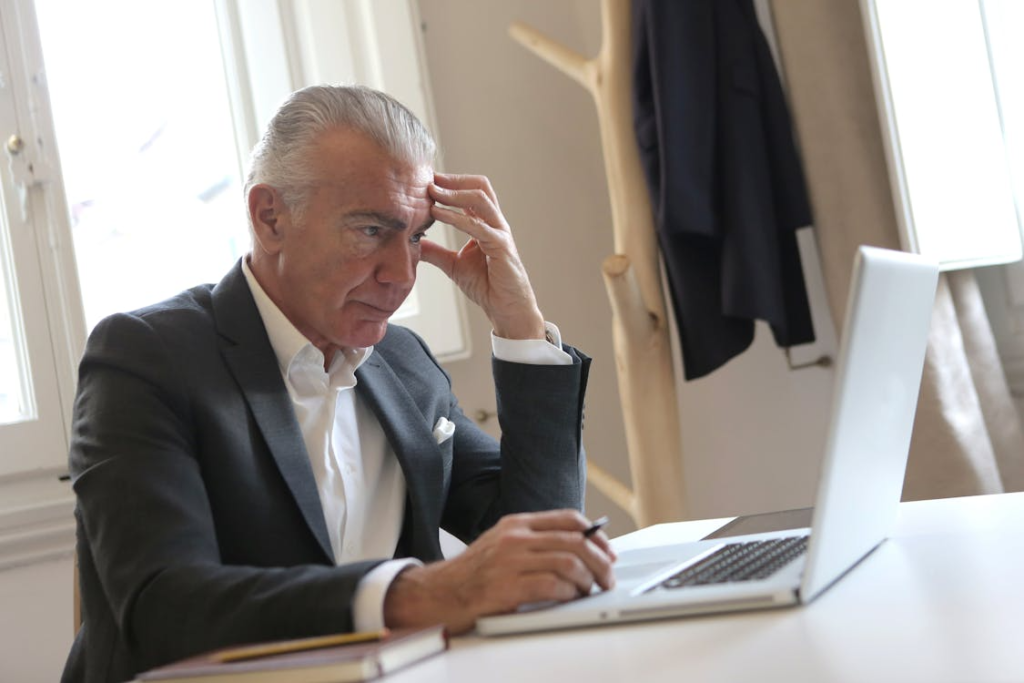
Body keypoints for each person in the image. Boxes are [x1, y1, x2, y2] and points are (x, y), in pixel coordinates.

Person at [62, 85, 616, 683]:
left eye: (414, 235)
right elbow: (164, 607)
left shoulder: (403, 363)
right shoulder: (145, 357)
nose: (402, 275)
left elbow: (541, 540)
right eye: (372, 230)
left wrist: (520, 322)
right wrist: (413, 594)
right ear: (269, 217)